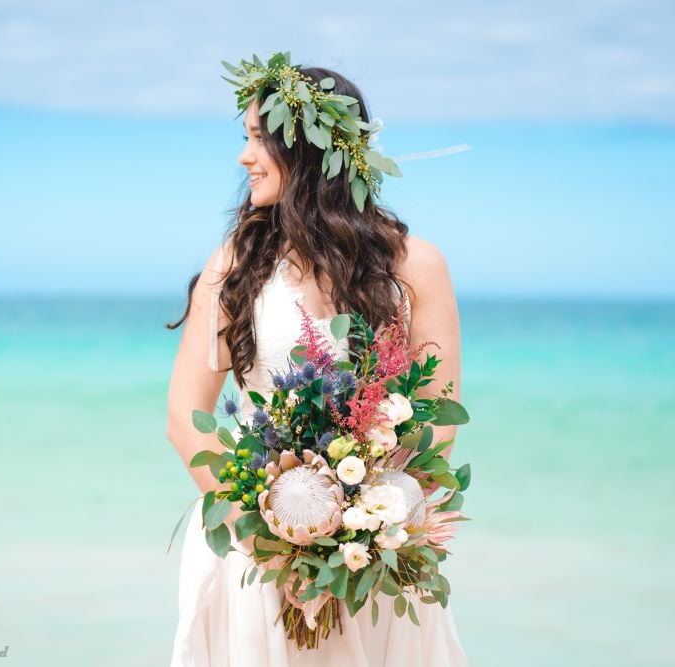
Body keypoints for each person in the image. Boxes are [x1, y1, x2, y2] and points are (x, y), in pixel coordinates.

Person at [165, 54, 470, 666]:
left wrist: (374, 525)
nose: (244, 157)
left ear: (309, 151)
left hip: (372, 559)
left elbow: (437, 420)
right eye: (245, 138)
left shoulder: (416, 266)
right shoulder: (235, 265)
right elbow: (183, 417)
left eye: (258, 139)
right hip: (252, 549)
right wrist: (274, 542)